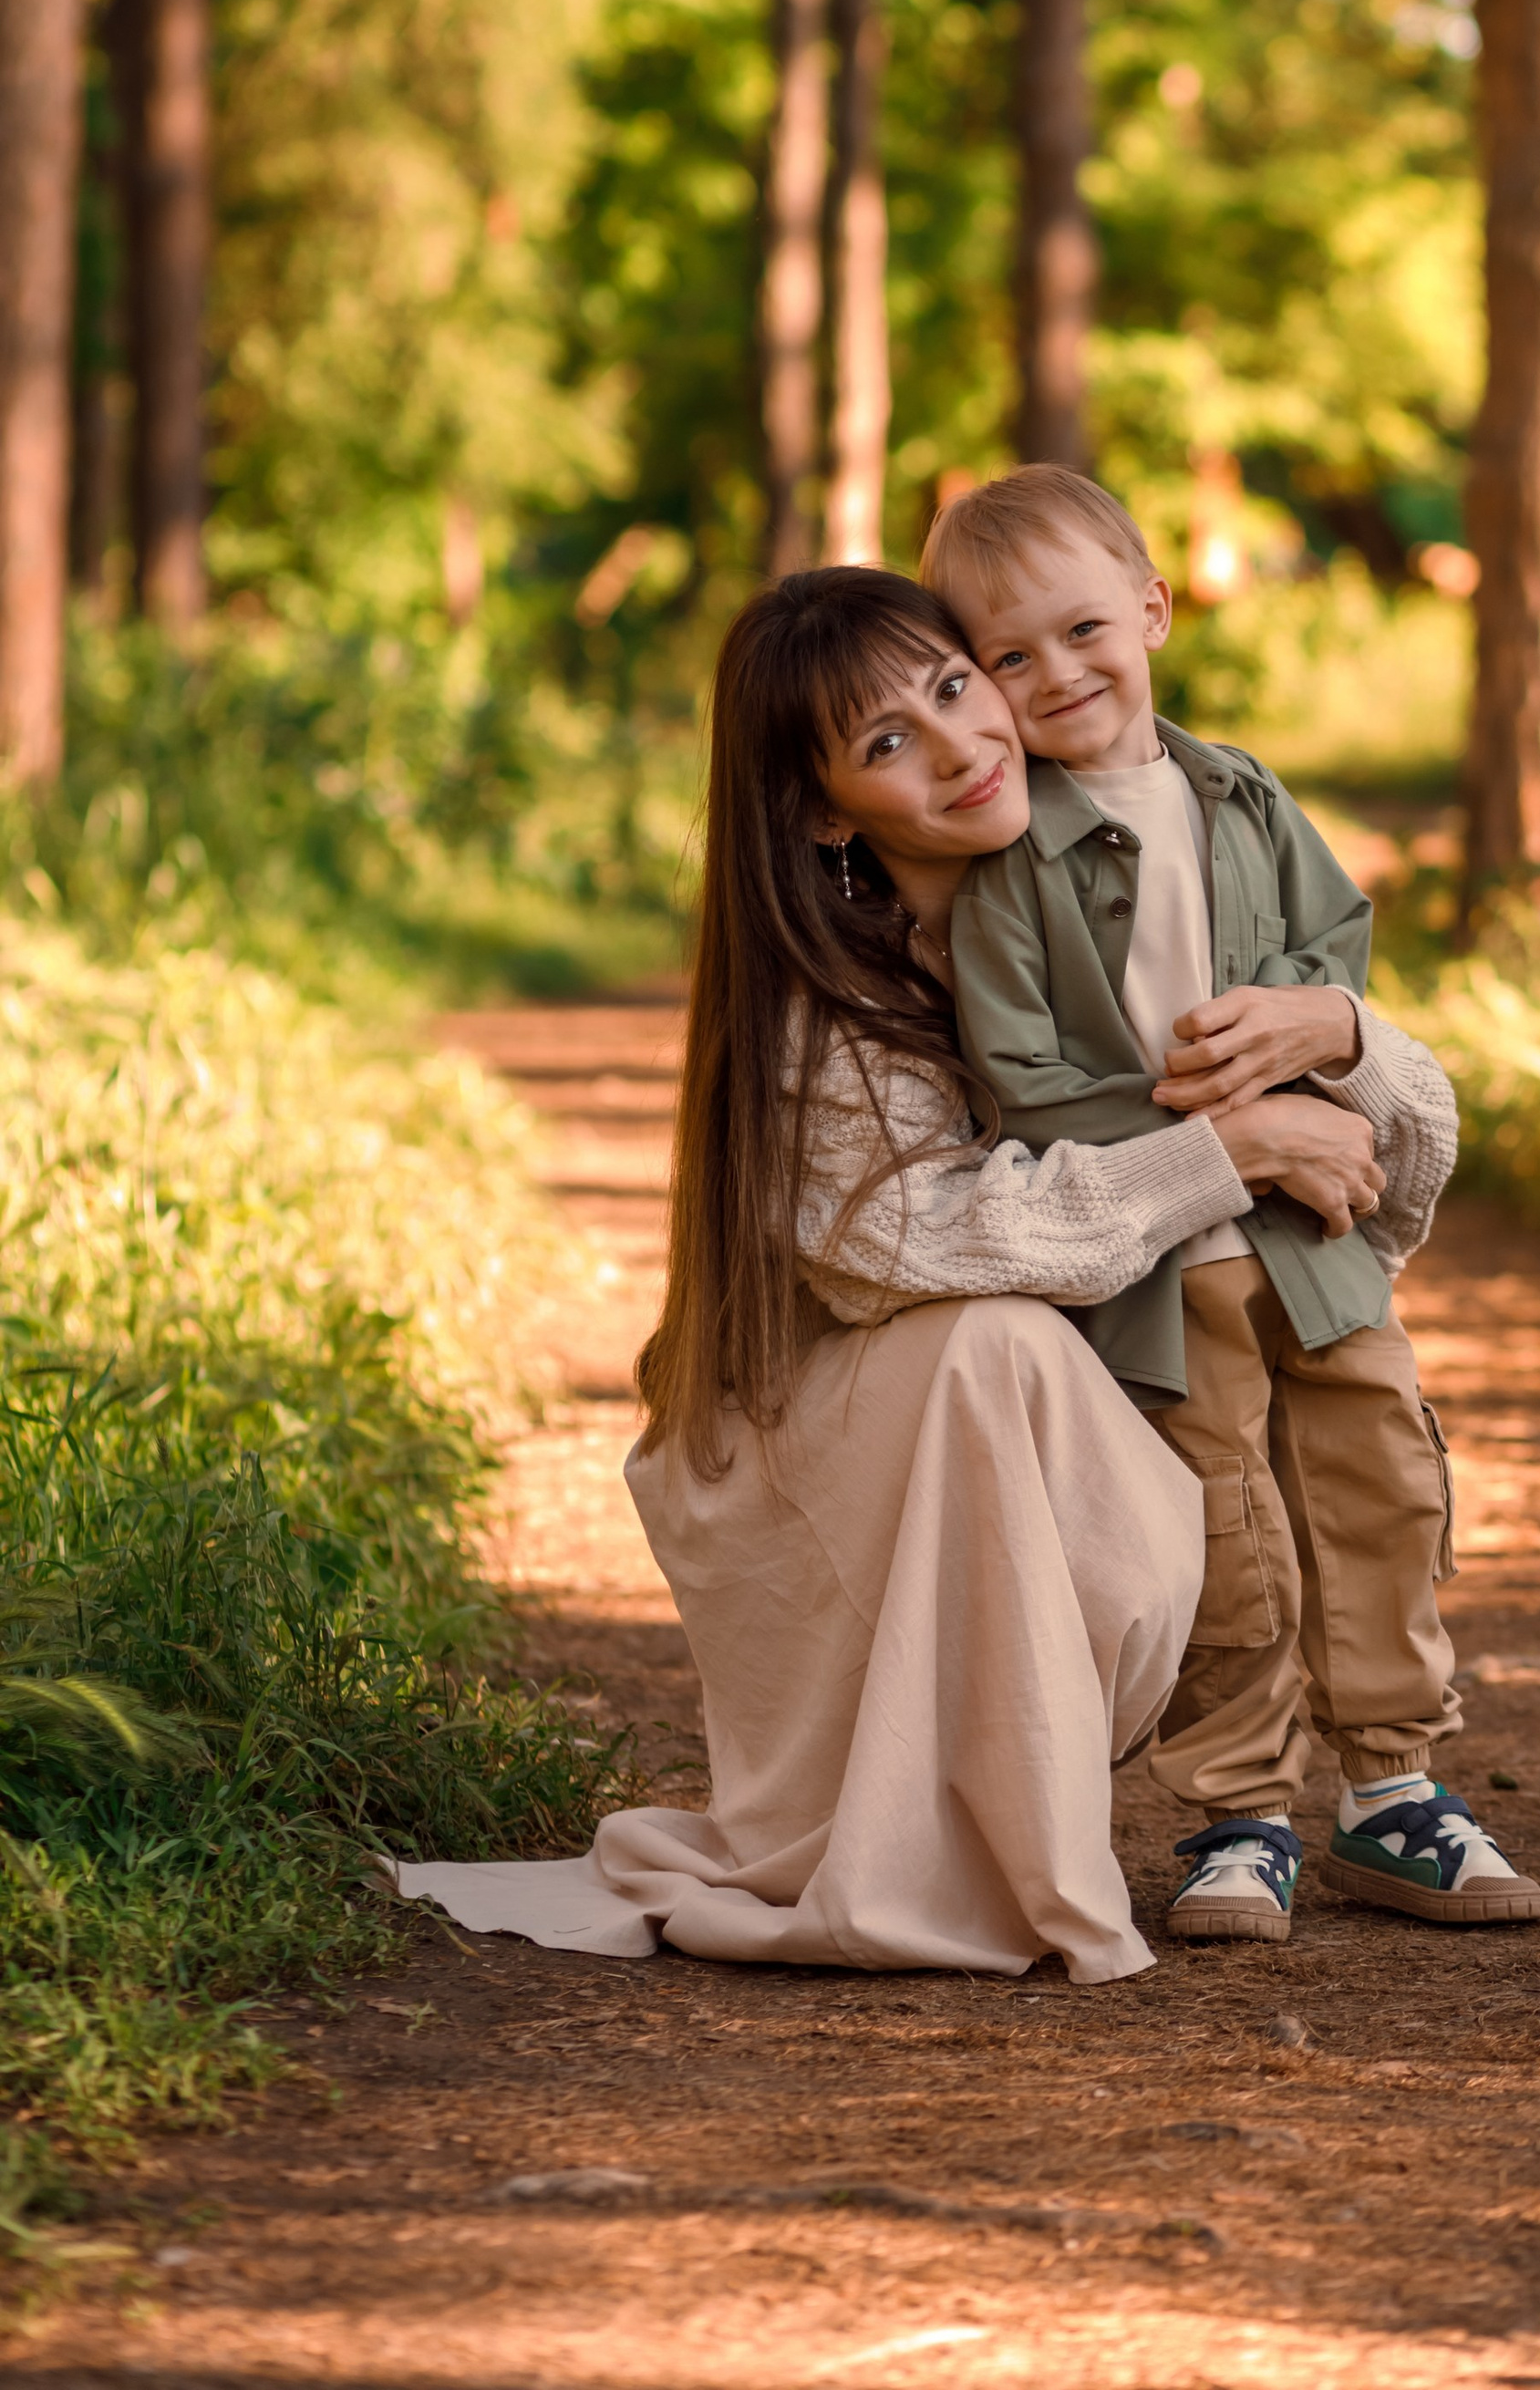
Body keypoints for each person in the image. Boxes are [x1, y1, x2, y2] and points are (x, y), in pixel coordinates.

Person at [400, 567, 1448, 1983]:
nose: (960, 748)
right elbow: (904, 1243)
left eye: (957, 688)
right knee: (997, 1342)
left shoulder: (1122, 875)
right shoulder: (827, 993)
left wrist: (1345, 1036)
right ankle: (1020, 1819)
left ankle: (1367, 1778)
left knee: (1205, 1362)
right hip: (822, 1461)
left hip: (1015, 1416)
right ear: (828, 810)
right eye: (889, 741)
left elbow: (1398, 1174)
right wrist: (1228, 1151)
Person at [925, 466, 1540, 1946]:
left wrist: (1307, 1026)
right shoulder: (1007, 870)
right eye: (1010, 656)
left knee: (1380, 1481)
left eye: (1084, 630)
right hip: (1163, 1263)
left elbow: (1338, 946)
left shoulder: (1244, 796)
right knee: (1218, 1525)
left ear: (1151, 609)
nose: (1056, 673)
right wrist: (1216, 1133)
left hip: (1312, 1242)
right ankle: (1237, 1813)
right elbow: (1021, 1081)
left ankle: (1394, 1788)